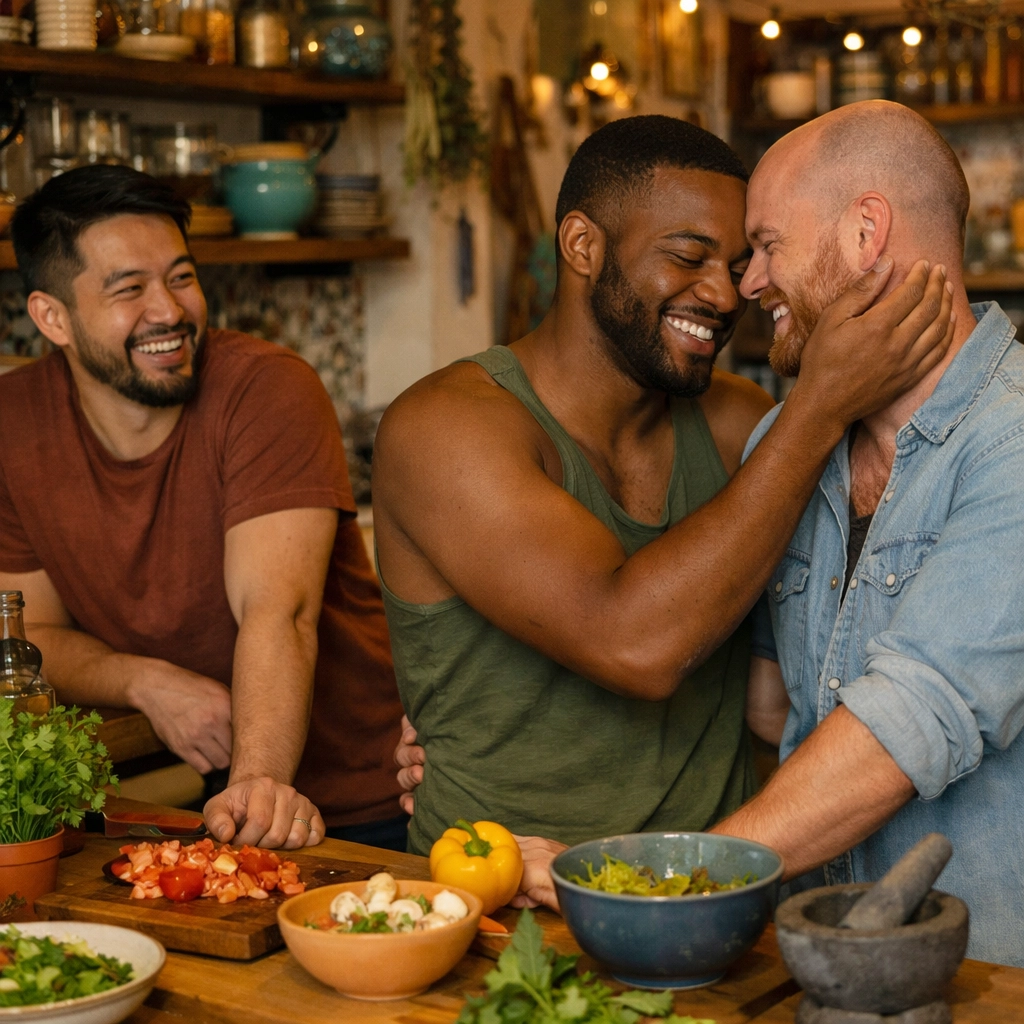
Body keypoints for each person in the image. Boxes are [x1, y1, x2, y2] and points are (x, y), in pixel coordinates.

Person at [466, 102, 1024, 967]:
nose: (747, 286)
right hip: (811, 970)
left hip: (985, 982)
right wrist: (471, 713)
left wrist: (663, 881)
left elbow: (906, 727)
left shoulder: (1012, 442)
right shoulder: (786, 443)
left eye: (765, 246)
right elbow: (764, 707)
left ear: (867, 231)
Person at [376, 114, 953, 859]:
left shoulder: (741, 426)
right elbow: (636, 645)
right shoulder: (447, 429)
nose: (726, 292)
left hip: (714, 903)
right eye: (689, 257)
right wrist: (818, 406)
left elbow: (816, 666)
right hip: (498, 897)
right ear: (583, 246)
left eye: (743, 259)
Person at [0, 166, 407, 851]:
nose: (169, 311)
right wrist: (146, 683)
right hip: (210, 797)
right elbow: (30, 631)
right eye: (129, 289)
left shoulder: (267, 390)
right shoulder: (13, 423)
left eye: (181, 278)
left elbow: (279, 610)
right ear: (52, 318)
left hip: (362, 799)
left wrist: (257, 785)